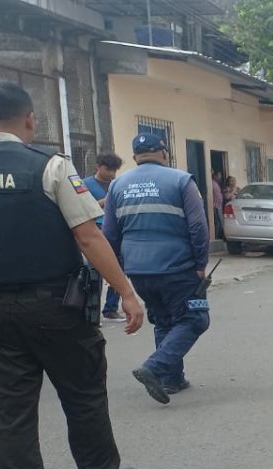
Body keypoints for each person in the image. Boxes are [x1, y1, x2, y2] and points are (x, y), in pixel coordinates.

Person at [0, 81, 144, 469]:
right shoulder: (49, 167)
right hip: (57, 306)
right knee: (83, 393)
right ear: (30, 119)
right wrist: (126, 292)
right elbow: (88, 236)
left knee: (9, 411)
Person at [103, 133, 210, 405]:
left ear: (136, 156)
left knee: (163, 320)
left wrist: (118, 274)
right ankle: (155, 367)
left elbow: (110, 235)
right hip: (177, 267)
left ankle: (172, 379)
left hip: (138, 270)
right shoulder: (181, 180)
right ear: (164, 153)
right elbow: (198, 226)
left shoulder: (117, 185)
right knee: (195, 318)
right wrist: (200, 263)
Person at [82, 152, 125, 321]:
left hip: (116, 231)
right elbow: (80, 209)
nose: (112, 174)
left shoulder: (118, 184)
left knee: (118, 269)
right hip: (95, 230)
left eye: (115, 170)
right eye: (108, 169)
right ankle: (92, 312)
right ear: (98, 166)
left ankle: (111, 308)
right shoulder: (85, 185)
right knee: (95, 272)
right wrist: (103, 202)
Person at [211, 170, 225, 240]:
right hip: (216, 206)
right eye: (219, 176)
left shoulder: (216, 184)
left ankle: (219, 236)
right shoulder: (212, 183)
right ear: (215, 176)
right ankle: (217, 237)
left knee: (220, 222)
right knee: (218, 222)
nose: (220, 177)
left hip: (219, 205)